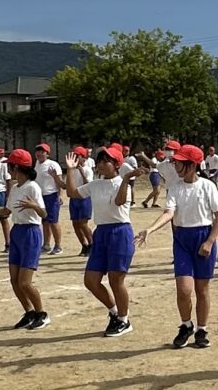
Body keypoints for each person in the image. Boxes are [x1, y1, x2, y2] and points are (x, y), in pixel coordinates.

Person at [138, 144, 218, 350]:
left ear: (192, 165)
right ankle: (186, 325)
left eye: (180, 161)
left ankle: (202, 329)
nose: (175, 164)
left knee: (202, 289)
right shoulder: (175, 188)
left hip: (203, 237)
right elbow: (169, 213)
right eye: (175, 160)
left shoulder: (207, 186)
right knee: (184, 289)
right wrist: (150, 229)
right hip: (182, 240)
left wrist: (210, 241)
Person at [57, 143, 145, 337]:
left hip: (120, 232)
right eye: (100, 161)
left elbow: (119, 202)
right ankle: (114, 311)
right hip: (102, 232)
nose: (102, 164)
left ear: (117, 165)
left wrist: (127, 180)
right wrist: (70, 170)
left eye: (107, 161)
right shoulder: (95, 185)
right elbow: (72, 193)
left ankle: (124, 319)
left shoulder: (122, 184)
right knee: (91, 280)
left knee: (116, 279)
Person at [0, 149, 51, 330]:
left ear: (17, 167)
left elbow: (44, 214)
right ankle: (29, 312)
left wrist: (34, 206)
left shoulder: (33, 187)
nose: (8, 170)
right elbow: (5, 212)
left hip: (30, 232)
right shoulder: (14, 188)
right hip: (17, 232)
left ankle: (41, 313)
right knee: (14, 280)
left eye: (10, 167)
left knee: (25, 282)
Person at [34, 143, 66, 255]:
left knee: (53, 221)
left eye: (42, 151)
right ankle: (46, 244)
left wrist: (60, 195)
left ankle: (58, 245)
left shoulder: (53, 165)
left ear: (47, 153)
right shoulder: (36, 164)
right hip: (40, 196)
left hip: (51, 195)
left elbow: (60, 182)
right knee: (44, 221)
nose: (39, 153)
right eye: (37, 151)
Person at [67, 145, 95, 256]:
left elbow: (88, 184)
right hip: (74, 198)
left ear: (84, 158)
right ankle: (84, 245)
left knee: (83, 224)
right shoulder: (72, 170)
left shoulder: (87, 169)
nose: (75, 158)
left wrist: (81, 171)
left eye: (77, 156)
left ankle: (92, 244)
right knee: (75, 224)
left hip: (84, 198)